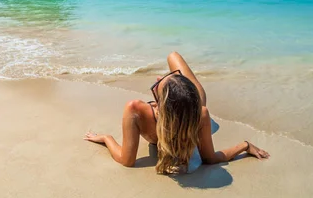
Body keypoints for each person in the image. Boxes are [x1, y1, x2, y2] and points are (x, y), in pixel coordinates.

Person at [84, 51, 270, 174]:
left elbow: (126, 160)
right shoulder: (200, 114)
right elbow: (211, 158)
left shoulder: (136, 110)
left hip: (187, 102)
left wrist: (106, 138)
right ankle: (180, 86)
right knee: (173, 56)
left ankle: (177, 85)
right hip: (189, 103)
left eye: (159, 83)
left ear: (159, 103)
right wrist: (245, 145)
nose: (158, 77)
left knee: (172, 55)